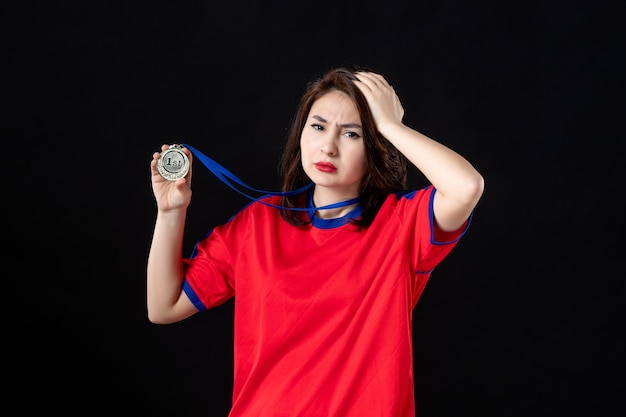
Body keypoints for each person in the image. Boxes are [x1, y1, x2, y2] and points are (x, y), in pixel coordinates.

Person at [147, 66, 484, 416]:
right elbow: (163, 306)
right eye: (318, 126)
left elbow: (466, 188)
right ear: (301, 134)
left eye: (352, 134)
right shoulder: (258, 224)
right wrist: (171, 213)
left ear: (376, 148)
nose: (329, 146)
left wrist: (389, 125)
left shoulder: (402, 224)